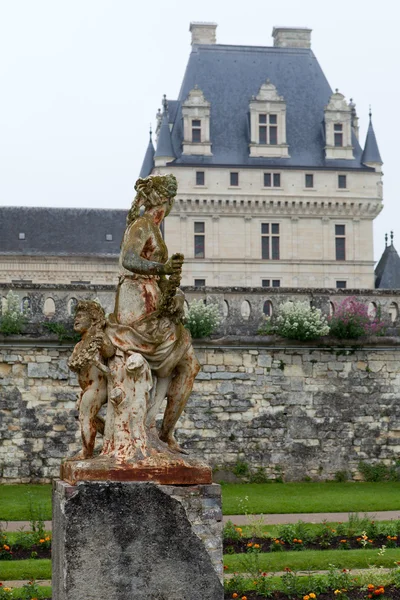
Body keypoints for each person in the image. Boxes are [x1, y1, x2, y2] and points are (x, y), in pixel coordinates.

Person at [106, 174, 200, 453]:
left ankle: (160, 431)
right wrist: (163, 270)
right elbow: (129, 259)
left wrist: (172, 292)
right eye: (171, 200)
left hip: (149, 302)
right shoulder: (143, 224)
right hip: (137, 308)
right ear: (165, 200)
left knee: (188, 364)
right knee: (188, 362)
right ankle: (157, 431)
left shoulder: (153, 227)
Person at [68, 300, 115, 458]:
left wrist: (100, 343)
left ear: (93, 320)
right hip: (86, 389)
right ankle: (113, 436)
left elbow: (109, 352)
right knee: (88, 418)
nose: (76, 319)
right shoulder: (80, 345)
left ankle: (86, 452)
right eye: (76, 316)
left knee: (85, 417)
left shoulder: (99, 339)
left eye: (81, 316)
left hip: (97, 387)